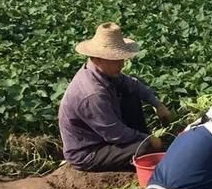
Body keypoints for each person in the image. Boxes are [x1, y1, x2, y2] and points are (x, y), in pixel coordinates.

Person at [58, 22, 171, 172]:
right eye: (116, 59)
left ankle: (143, 143)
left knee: (131, 95)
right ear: (97, 58)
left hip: (103, 136)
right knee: (145, 148)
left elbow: (133, 85)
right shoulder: (92, 93)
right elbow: (115, 134)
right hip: (89, 151)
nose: (122, 64)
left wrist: (157, 104)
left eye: (122, 59)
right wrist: (147, 139)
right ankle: (143, 149)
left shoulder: (103, 72)